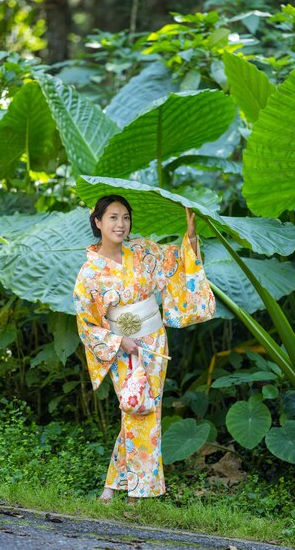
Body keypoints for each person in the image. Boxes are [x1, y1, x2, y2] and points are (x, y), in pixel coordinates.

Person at [73, 194, 216, 502]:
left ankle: (112, 488)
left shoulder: (142, 251)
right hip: (121, 348)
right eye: (112, 217)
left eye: (125, 217)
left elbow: (176, 262)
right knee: (137, 411)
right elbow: (87, 323)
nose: (120, 224)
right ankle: (139, 491)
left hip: (153, 342)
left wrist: (190, 239)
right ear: (97, 222)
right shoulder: (89, 273)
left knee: (143, 409)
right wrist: (117, 341)